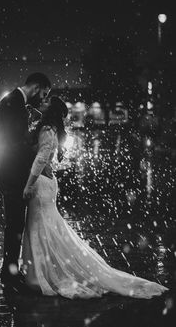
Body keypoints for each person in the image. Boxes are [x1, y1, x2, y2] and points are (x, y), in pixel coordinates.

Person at [21, 96, 168, 299]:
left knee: (40, 227)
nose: (42, 102)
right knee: (47, 227)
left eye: (46, 102)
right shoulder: (50, 128)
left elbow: (41, 158)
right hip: (47, 182)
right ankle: (43, 269)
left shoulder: (46, 130)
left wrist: (29, 184)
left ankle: (43, 273)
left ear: (51, 110)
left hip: (40, 184)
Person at [0, 72, 51, 292]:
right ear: (36, 87)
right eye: (44, 93)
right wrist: (37, 155)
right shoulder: (13, 103)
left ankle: (10, 271)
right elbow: (14, 143)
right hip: (12, 173)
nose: (43, 98)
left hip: (8, 171)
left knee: (14, 225)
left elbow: (0, 137)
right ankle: (9, 274)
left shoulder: (13, 101)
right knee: (14, 226)